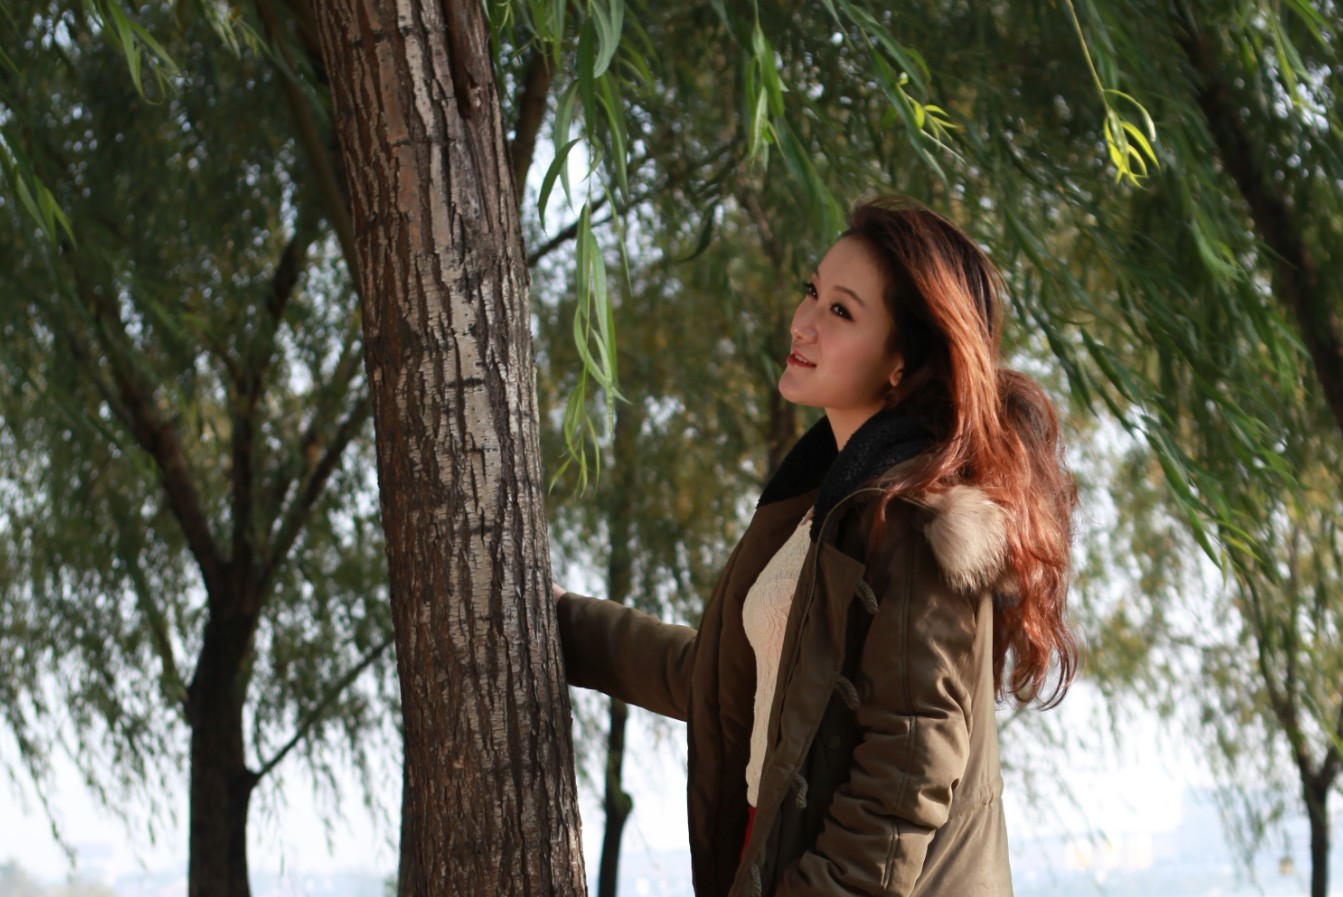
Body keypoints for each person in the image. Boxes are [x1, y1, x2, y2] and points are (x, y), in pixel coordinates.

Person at [553, 195, 1077, 897]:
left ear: (901, 360)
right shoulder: (821, 505)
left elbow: (898, 789)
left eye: (841, 311)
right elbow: (729, 683)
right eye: (812, 291)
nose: (803, 321)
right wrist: (558, 623)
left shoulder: (920, 527)